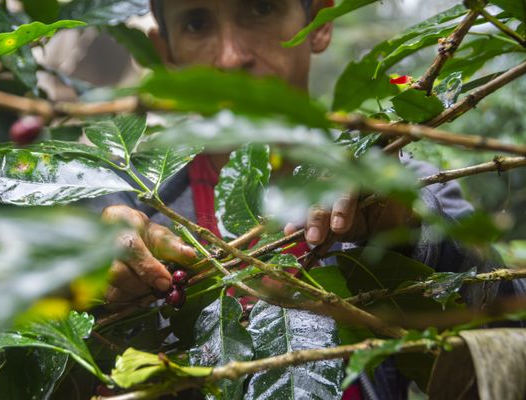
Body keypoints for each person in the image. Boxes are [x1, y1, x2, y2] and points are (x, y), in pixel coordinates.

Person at [97, 0, 524, 398]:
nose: (230, 58)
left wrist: (409, 235)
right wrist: (99, 284)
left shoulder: (398, 180)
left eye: (259, 8)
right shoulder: (129, 206)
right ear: (165, 50)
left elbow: (507, 325)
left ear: (319, 20)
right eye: (196, 23)